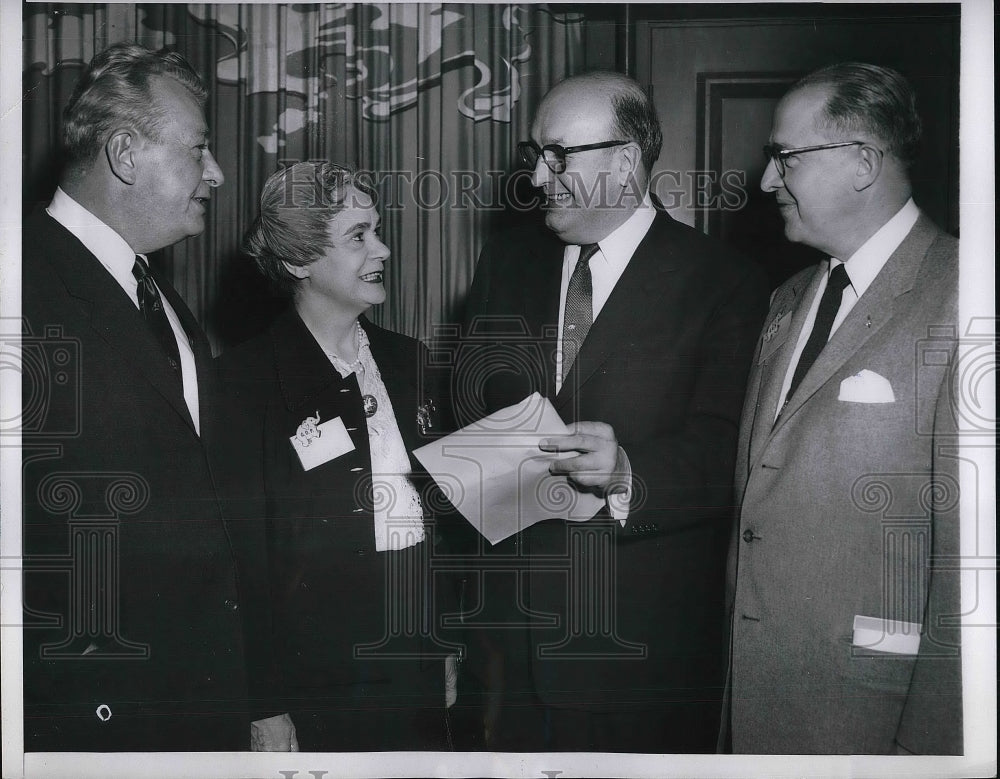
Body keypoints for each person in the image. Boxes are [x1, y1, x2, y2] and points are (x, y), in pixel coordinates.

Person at [456, 70, 769, 752]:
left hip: (637, 655)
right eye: (532, 155)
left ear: (625, 161)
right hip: (506, 649)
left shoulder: (726, 283)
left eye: (557, 155)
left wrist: (629, 469)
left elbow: (733, 454)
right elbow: (470, 411)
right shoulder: (506, 263)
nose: (537, 177)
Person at [722, 62, 962, 754]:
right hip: (755, 702)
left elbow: (971, 571)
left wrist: (934, 756)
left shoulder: (964, 295)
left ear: (862, 163)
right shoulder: (787, 298)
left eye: (784, 157)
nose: (767, 181)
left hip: (871, 718)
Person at [21, 43, 250, 750]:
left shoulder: (165, 300)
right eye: (200, 150)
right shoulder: (19, 281)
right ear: (124, 152)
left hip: (190, 698)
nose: (215, 173)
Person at [215, 162, 456, 752]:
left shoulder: (411, 362)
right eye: (359, 236)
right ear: (299, 261)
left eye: (377, 229)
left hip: (416, 664)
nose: (384, 249)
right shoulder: (242, 384)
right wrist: (265, 706)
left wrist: (448, 644)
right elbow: (241, 561)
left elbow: (442, 524)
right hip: (315, 686)